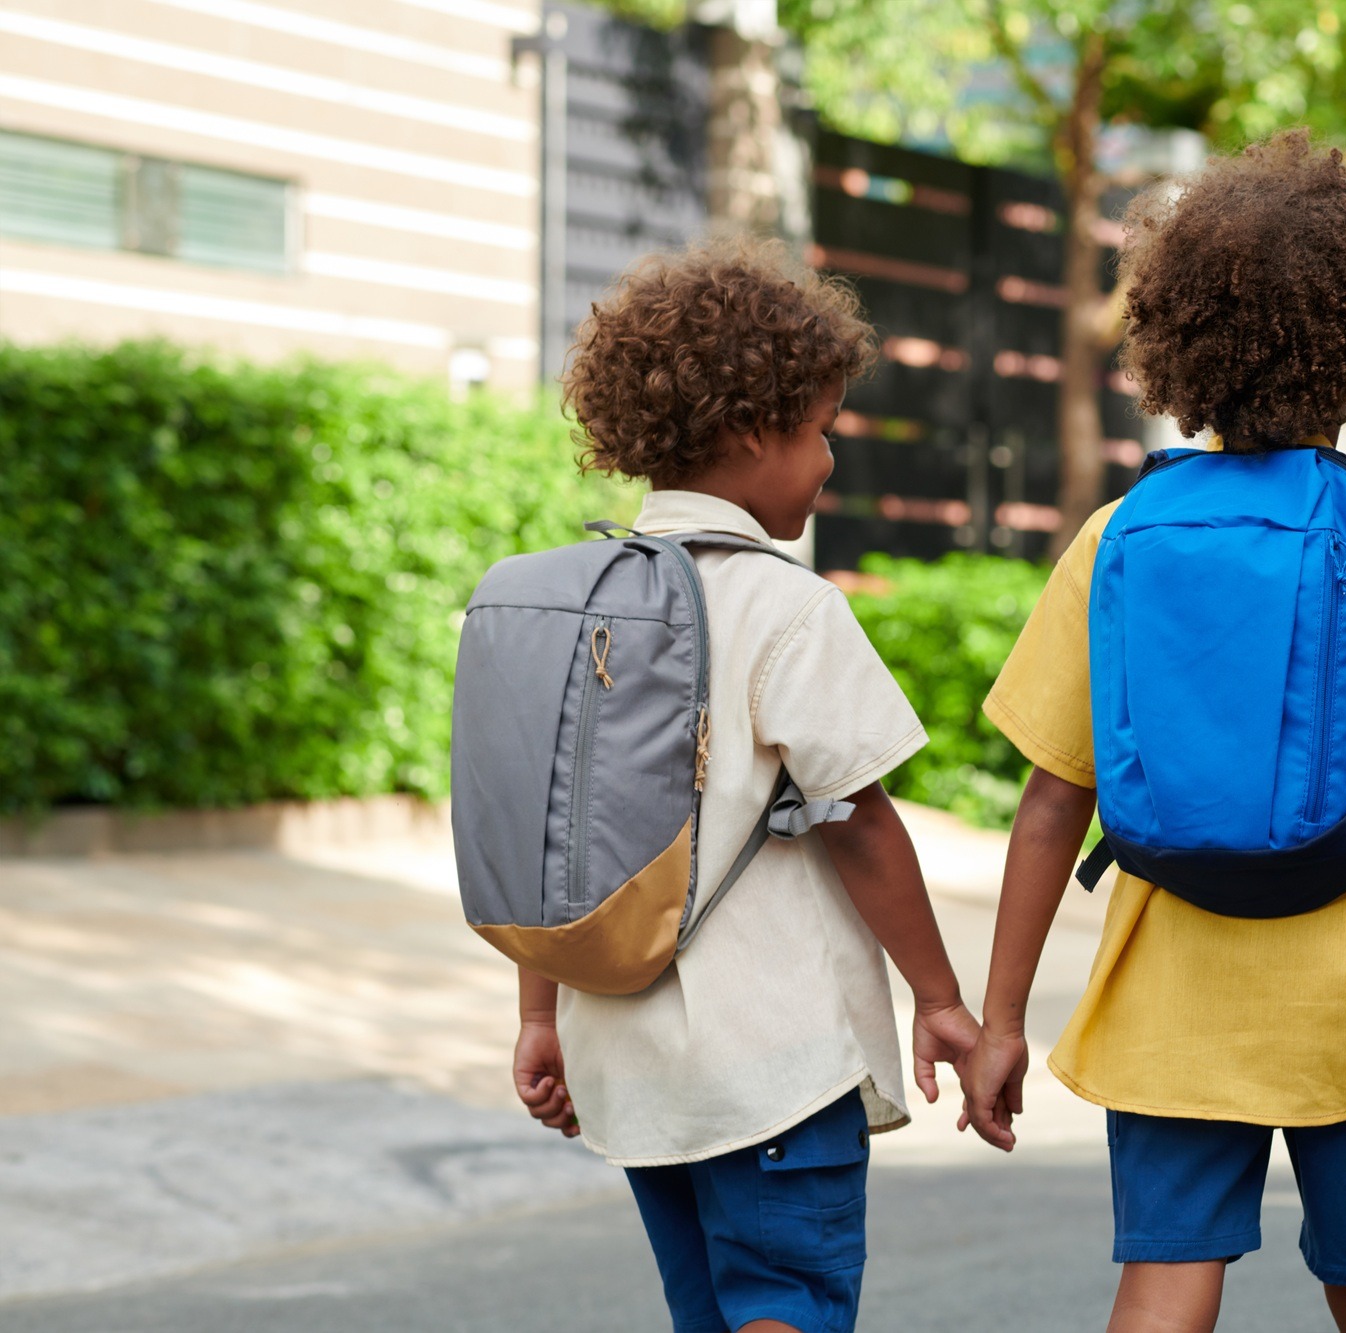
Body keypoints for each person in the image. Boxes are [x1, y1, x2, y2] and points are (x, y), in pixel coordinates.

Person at [958, 131, 1346, 1333]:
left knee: (1167, 1275)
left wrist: (1002, 1020)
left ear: (1175, 344)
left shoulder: (1116, 537)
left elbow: (1047, 802)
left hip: (1171, 994)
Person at [512, 237, 981, 1333]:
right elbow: (858, 820)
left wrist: (540, 1015)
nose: (828, 459)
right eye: (820, 430)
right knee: (785, 1305)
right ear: (748, 430)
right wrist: (942, 999)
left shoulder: (571, 604)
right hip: (774, 1062)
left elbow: (546, 837)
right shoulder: (786, 608)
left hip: (622, 1054)